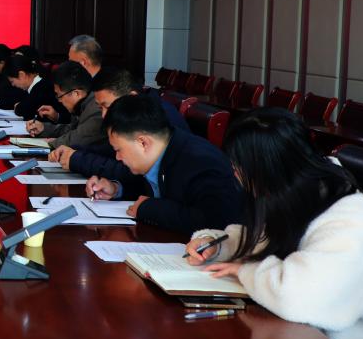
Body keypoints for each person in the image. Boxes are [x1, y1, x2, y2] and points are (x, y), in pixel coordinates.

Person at [185, 109, 363, 339]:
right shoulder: (302, 193)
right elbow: (267, 241)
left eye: (239, 167)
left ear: (267, 166)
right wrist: (218, 245)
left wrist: (243, 270)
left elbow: (296, 298)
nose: (236, 175)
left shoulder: (351, 218)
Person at [86, 93, 243, 235]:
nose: (117, 157)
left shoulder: (201, 161)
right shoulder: (162, 151)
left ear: (143, 143)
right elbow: (148, 188)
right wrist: (115, 189)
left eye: (119, 150)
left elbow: (216, 221)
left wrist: (149, 209)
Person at [50, 67, 188, 173]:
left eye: (107, 106)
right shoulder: (134, 113)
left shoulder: (157, 118)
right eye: (100, 108)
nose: (104, 115)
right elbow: (106, 149)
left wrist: (78, 159)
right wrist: (75, 151)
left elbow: (130, 172)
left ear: (131, 97)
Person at [26, 61, 102, 148]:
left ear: (76, 94)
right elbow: (71, 130)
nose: (59, 101)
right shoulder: (82, 105)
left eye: (59, 96)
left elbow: (78, 139)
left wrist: (52, 143)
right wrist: (44, 128)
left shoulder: (96, 108)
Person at [2, 54, 60, 121]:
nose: (13, 85)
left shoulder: (42, 87)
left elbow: (24, 109)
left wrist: (19, 107)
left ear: (22, 75)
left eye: (12, 81)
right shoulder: (38, 85)